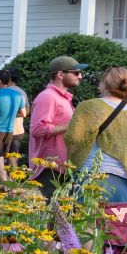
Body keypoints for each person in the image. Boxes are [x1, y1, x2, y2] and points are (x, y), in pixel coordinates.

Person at [65, 65, 127, 204]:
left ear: (104, 84)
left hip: (91, 180)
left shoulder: (89, 106)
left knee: (86, 224)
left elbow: (72, 139)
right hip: (126, 183)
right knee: (119, 226)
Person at [30, 56, 84, 196]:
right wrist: (73, 124)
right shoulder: (48, 97)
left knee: (65, 213)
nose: (80, 76)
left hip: (63, 166)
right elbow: (38, 129)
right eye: (76, 73)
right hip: (50, 167)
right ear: (60, 74)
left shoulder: (63, 98)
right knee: (57, 213)